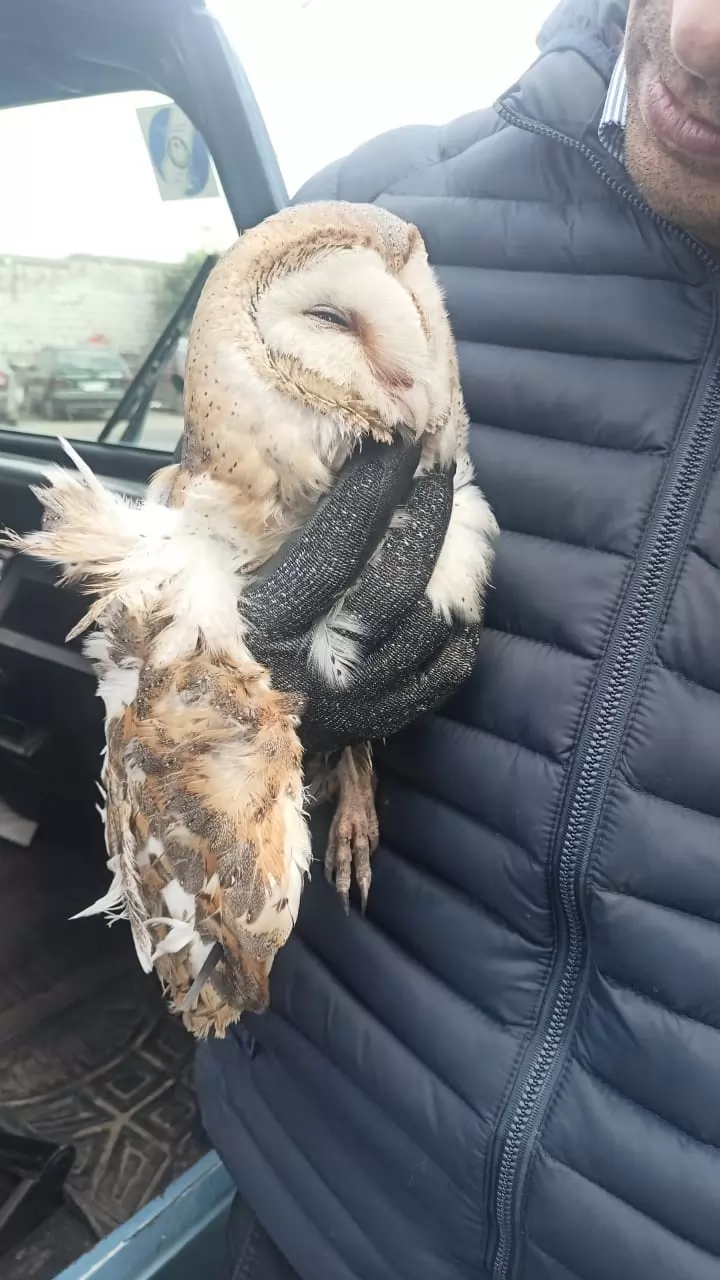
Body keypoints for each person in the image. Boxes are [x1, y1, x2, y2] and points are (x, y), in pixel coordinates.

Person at [196, 0, 720, 1276]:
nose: (705, 37)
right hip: (310, 1184)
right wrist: (241, 691)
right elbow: (158, 642)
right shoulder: (376, 212)